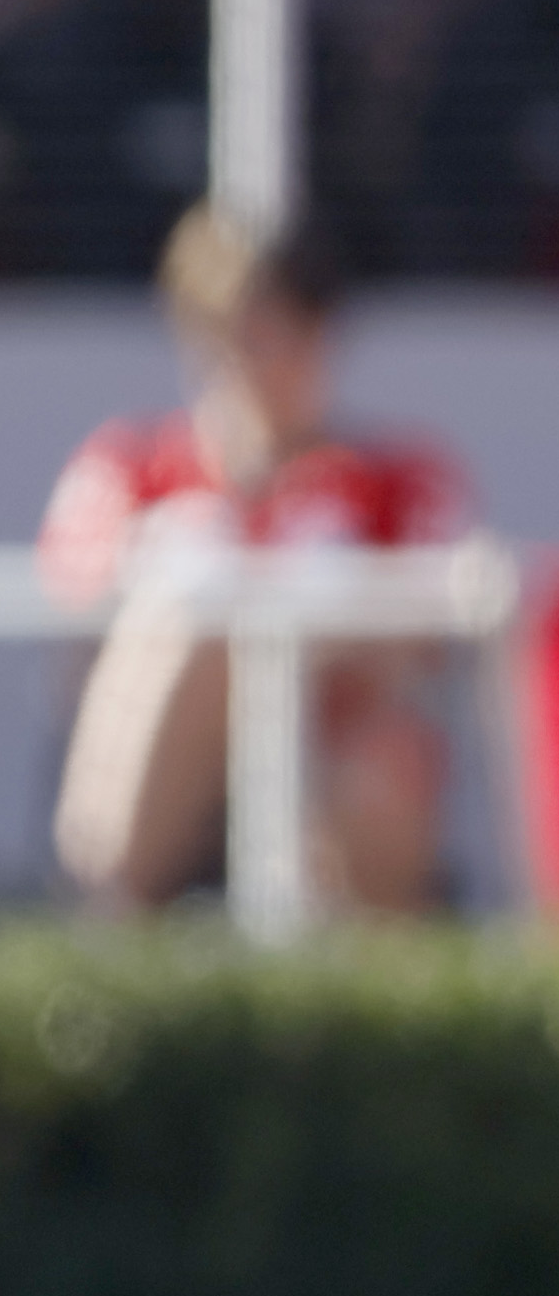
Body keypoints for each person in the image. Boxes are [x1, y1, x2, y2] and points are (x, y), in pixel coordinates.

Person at [44, 206, 461, 918]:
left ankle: (391, 999)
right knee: (194, 641)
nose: (263, 359)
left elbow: (429, 637)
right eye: (239, 335)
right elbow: (75, 611)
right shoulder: (128, 469)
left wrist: (297, 643)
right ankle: (111, 939)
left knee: (383, 754)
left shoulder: (397, 478)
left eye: (290, 332)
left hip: (335, 761)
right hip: (157, 771)